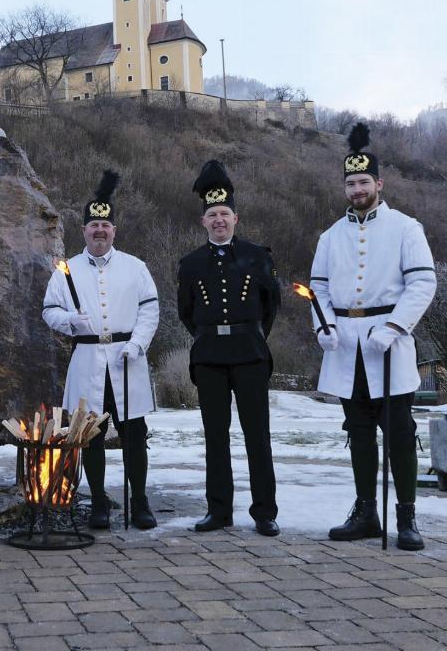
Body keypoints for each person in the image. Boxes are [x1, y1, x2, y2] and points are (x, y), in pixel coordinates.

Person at [310, 124, 436, 550]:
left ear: (379, 183)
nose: (357, 188)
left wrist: (396, 326)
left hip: (390, 342)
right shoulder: (329, 235)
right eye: (351, 183)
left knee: (399, 431)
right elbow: (318, 289)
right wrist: (323, 326)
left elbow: (422, 283)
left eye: (364, 181)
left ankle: (406, 517)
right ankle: (365, 512)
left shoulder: (406, 227)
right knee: (358, 430)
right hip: (346, 345)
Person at [42, 170, 159, 530]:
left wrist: (138, 344)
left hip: (127, 361)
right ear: (83, 231)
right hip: (87, 359)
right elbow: (49, 310)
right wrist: (69, 323)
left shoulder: (135, 267)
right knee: (89, 435)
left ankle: (139, 502)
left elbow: (150, 309)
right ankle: (98, 504)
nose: (99, 231)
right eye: (93, 224)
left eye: (105, 225)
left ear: (114, 230)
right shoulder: (66, 271)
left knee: (134, 435)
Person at [178, 161, 281, 536]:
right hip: (208, 357)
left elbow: (271, 306)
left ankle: (264, 512)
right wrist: (212, 334)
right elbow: (185, 312)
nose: (218, 220)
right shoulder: (190, 264)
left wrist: (249, 333)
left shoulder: (258, 256)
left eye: (224, 213)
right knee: (215, 436)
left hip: (251, 353)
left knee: (258, 435)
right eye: (212, 215)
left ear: (236, 218)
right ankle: (219, 510)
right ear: (203, 222)